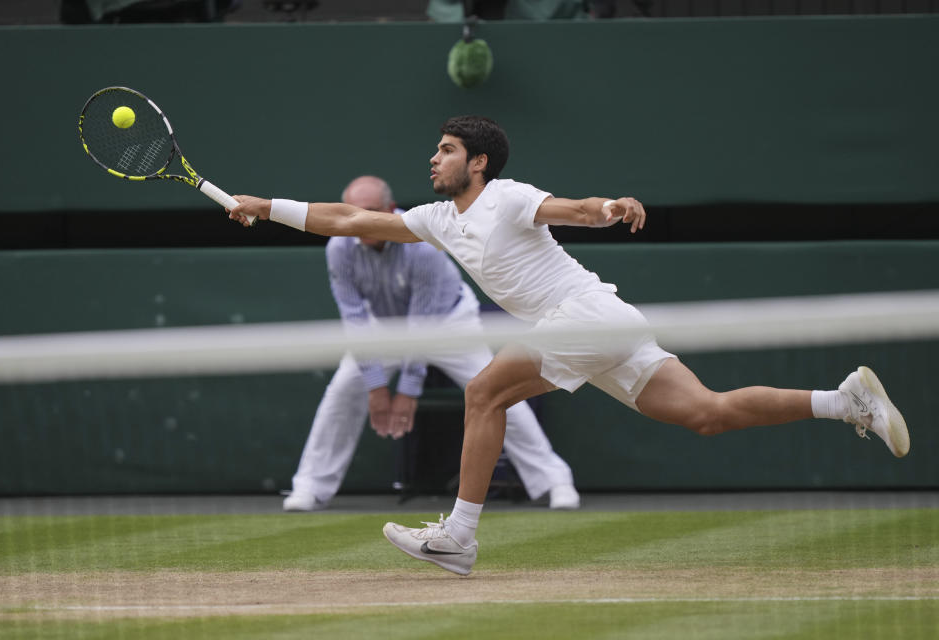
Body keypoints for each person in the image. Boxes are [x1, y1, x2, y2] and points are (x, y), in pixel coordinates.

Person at [229, 116, 910, 576]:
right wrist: (265, 206)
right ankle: (843, 400)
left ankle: (459, 537)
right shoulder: (436, 219)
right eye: (435, 150)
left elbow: (575, 210)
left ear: (478, 161)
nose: (432, 158)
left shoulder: (508, 196)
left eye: (444, 150)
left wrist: (607, 207)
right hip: (596, 323)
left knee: (483, 390)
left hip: (580, 314)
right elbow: (348, 218)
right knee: (708, 414)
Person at [282, 175, 580, 512]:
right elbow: (355, 320)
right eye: (353, 210)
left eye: (370, 210)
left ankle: (555, 480)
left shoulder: (421, 246)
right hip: (383, 328)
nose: (360, 218)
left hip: (450, 324)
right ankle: (309, 486)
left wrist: (407, 391)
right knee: (342, 391)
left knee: (495, 389)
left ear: (389, 210)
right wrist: (376, 387)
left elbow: (422, 327)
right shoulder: (339, 247)